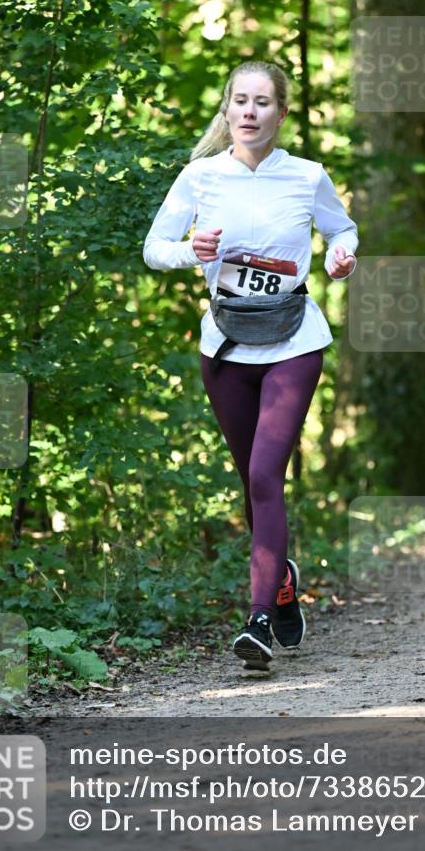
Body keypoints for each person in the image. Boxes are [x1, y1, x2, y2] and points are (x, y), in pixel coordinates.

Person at [143, 60, 358, 671]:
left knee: (267, 475)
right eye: (240, 100)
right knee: (253, 482)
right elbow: (155, 248)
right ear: (228, 109)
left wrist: (341, 256)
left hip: (293, 340)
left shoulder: (307, 175)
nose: (249, 111)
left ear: (281, 112)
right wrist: (192, 252)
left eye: (262, 102)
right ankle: (281, 579)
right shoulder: (200, 176)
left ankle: (258, 620)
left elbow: (343, 229)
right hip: (226, 346)